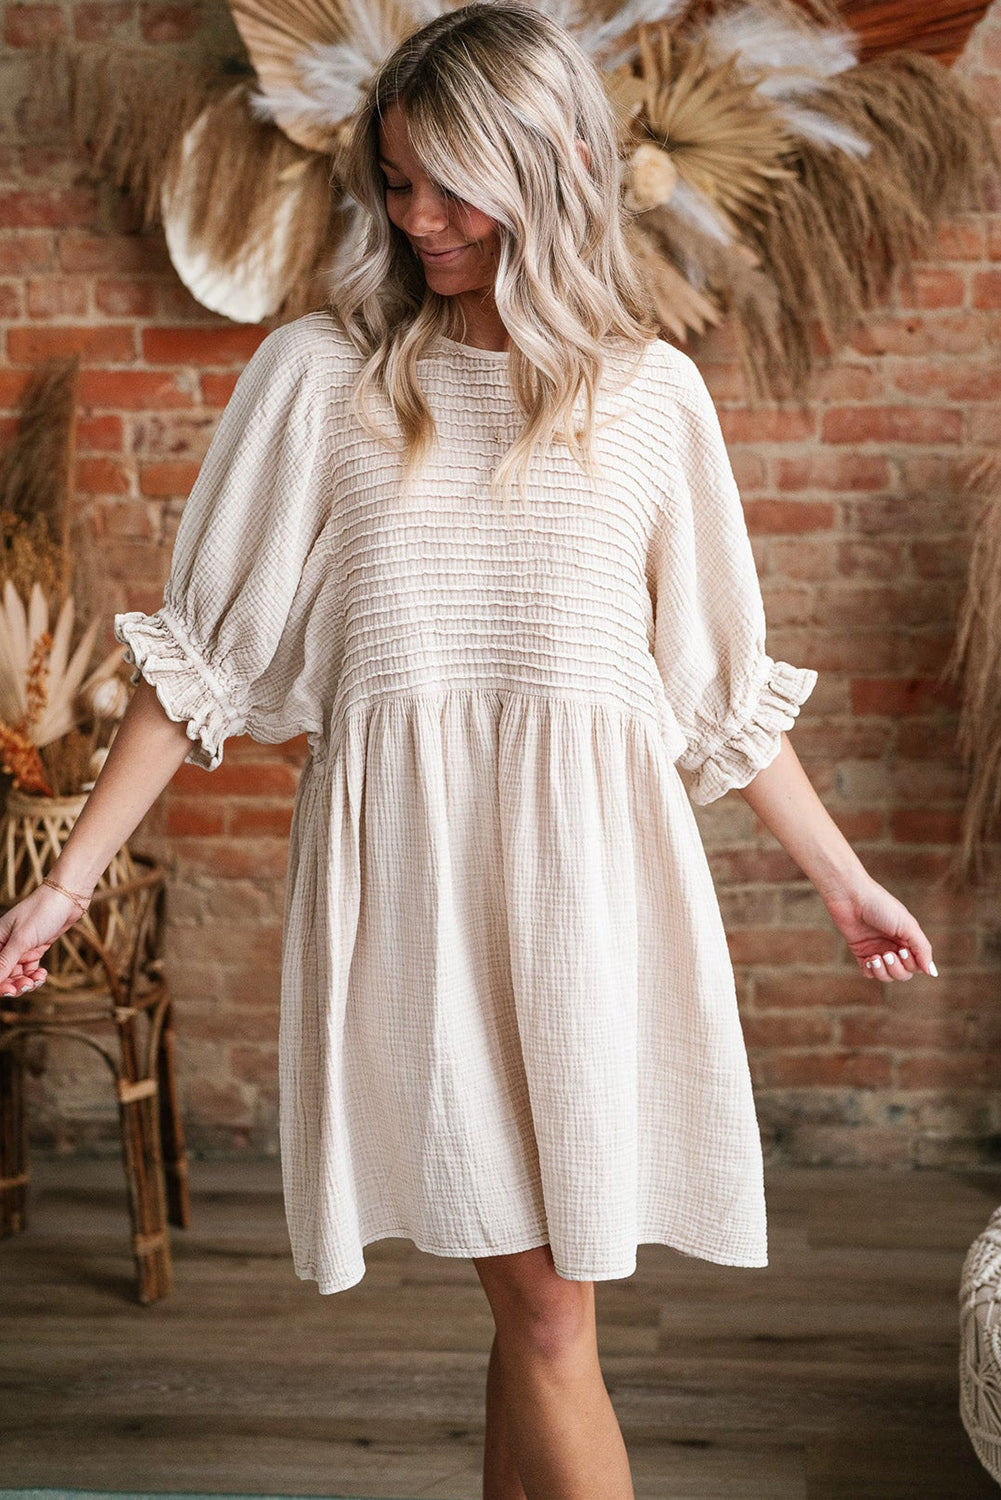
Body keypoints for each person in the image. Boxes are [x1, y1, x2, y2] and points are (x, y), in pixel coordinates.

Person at [0, 3, 937, 1496]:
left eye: (452, 184)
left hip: (591, 908)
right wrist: (67, 887)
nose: (418, 218)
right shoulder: (319, 379)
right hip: (416, 903)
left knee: (542, 1314)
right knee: (550, 1316)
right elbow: (197, 668)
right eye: (396, 182)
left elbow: (715, 693)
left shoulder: (652, 399)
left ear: (554, 169)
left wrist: (843, 883)